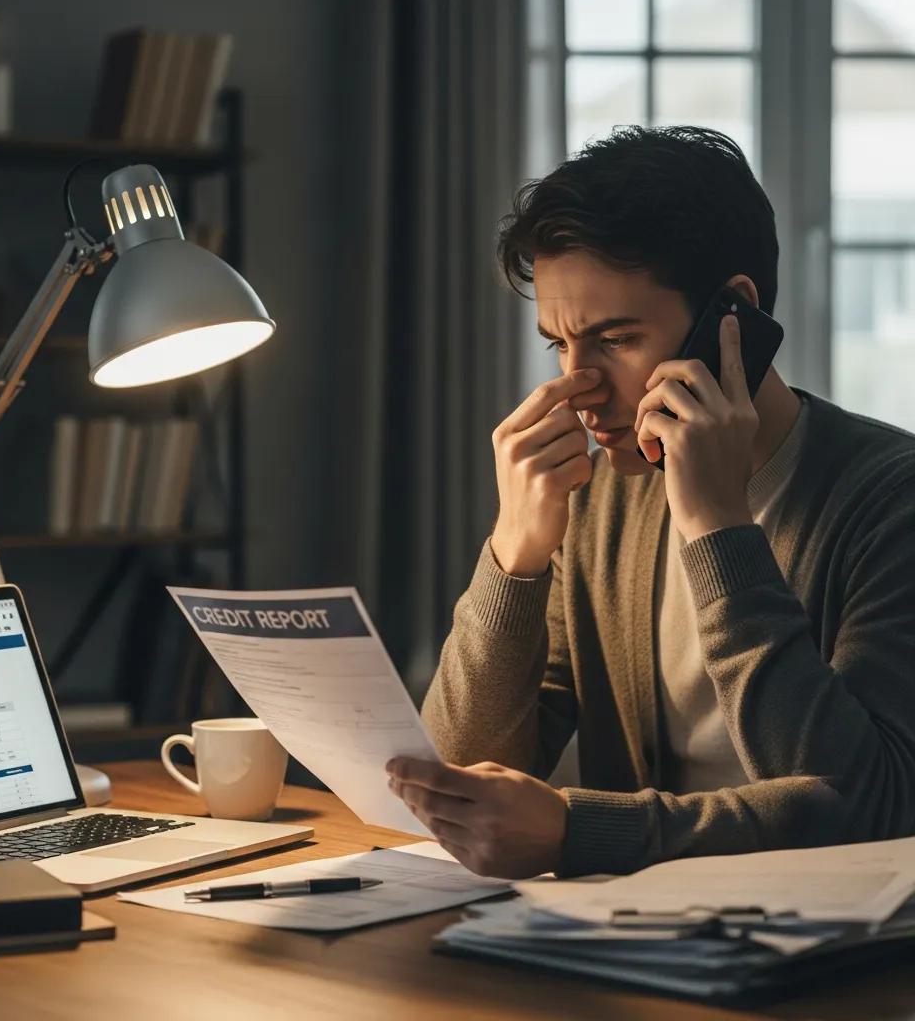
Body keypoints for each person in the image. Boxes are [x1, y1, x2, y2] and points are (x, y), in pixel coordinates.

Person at [385, 125, 915, 880]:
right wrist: (514, 556)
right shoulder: (602, 500)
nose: (581, 389)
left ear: (732, 316)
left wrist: (717, 527)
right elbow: (460, 785)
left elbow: (872, 811)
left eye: (615, 339)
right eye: (559, 347)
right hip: (626, 944)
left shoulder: (892, 500)